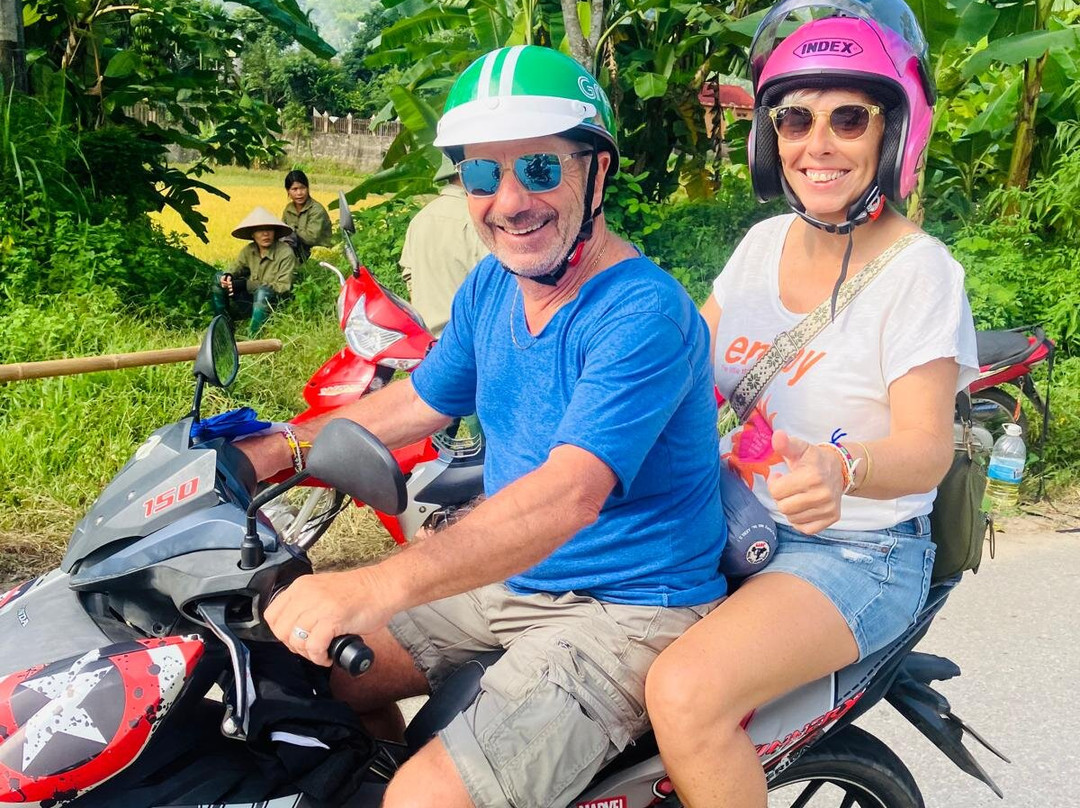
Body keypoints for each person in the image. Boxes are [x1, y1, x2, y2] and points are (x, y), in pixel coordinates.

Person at [240, 45, 727, 808]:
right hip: (515, 578)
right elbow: (422, 401)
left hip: (628, 607)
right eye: (481, 175)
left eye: (539, 168)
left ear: (597, 171)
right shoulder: (492, 286)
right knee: (307, 678)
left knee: (423, 801)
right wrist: (283, 445)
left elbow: (568, 495)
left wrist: (375, 583)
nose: (509, 201)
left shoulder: (643, 314)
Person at [643, 1, 980, 806]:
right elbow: (680, 373)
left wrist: (839, 465)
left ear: (894, 134)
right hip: (734, 518)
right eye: (795, 119)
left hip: (858, 553)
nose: (816, 144)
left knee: (685, 696)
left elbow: (927, 447)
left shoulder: (921, 273)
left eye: (849, 119)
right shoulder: (760, 246)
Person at [400, 156, 489, 336]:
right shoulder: (479, 221)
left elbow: (409, 276)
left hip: (426, 342)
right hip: (468, 343)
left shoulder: (421, 218)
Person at [212, 206, 298, 338]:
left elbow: (283, 287)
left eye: (269, 230)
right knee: (218, 278)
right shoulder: (249, 250)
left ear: (275, 232)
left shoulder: (285, 253)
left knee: (262, 292)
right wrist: (228, 276)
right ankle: (222, 329)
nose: (265, 234)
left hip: (273, 304)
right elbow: (236, 266)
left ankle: (253, 337)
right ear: (253, 234)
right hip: (249, 301)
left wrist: (247, 285)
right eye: (260, 230)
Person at [281, 169, 333, 263]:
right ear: (288, 191)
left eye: (302, 188)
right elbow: (282, 232)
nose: (299, 193)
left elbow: (311, 238)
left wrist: (292, 230)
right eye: (294, 189)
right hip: (297, 250)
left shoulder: (316, 209)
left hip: (317, 254)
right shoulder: (288, 209)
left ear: (308, 188)